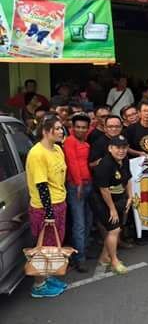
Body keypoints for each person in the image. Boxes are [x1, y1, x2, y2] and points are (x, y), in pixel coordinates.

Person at [26, 116, 68, 298]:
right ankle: (39, 286)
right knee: (44, 248)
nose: (61, 131)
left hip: (60, 203)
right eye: (57, 128)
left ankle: (47, 277)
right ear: (45, 131)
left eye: (61, 128)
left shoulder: (57, 149)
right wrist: (49, 213)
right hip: (45, 208)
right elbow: (41, 186)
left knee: (54, 247)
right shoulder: (37, 154)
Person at [90, 136, 133, 275]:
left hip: (118, 197)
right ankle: (114, 261)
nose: (121, 151)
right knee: (114, 229)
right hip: (101, 200)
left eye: (124, 147)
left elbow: (128, 179)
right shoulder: (105, 165)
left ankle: (104, 257)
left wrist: (130, 196)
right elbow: (104, 190)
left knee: (115, 229)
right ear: (110, 148)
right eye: (118, 147)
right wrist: (112, 209)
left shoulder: (125, 160)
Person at [63, 113, 93, 273]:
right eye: (78, 127)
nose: (81, 130)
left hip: (88, 184)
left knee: (88, 220)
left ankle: (83, 251)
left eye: (84, 127)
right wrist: (79, 183)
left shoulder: (86, 143)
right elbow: (72, 162)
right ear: (72, 128)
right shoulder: (70, 141)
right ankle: (79, 258)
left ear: (88, 129)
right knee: (79, 223)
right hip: (76, 186)